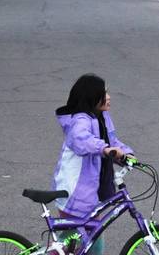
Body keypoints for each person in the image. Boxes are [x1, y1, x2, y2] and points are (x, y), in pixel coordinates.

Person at [52, 73, 133, 255]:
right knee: (82, 243)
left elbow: (112, 142)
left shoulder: (102, 118)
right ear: (92, 97)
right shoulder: (81, 120)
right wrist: (104, 149)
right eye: (104, 93)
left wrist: (127, 155)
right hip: (74, 191)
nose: (109, 97)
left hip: (89, 192)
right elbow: (81, 140)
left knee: (84, 242)